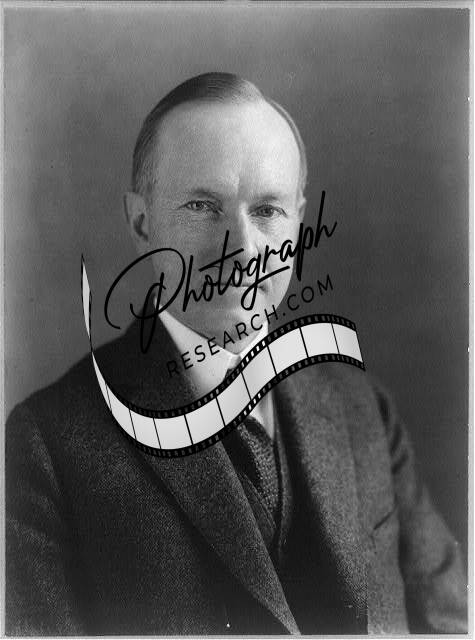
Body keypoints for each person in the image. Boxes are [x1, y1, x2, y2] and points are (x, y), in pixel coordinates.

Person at [5, 72, 467, 635]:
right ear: (141, 223)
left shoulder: (363, 409)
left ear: (298, 223)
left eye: (268, 210)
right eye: (203, 206)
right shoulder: (48, 447)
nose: (243, 248)